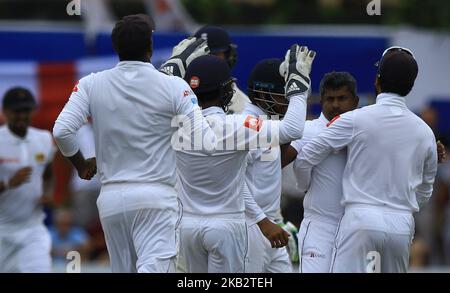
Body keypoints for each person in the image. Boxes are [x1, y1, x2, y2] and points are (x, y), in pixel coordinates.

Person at [53, 14, 217, 273]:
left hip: (111, 200)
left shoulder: (90, 83)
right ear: (150, 47)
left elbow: (62, 131)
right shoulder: (176, 86)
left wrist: (81, 164)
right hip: (157, 198)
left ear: (116, 47)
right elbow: (206, 142)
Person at [295, 46, 438, 273]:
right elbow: (425, 190)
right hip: (401, 225)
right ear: (411, 86)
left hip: (360, 220)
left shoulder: (355, 120)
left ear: (377, 82)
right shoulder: (425, 132)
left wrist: (304, 186)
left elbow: (306, 157)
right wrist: (403, 209)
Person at [175, 45, 315, 273]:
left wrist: (172, 67)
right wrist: (298, 86)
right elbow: (292, 129)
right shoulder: (236, 125)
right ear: (226, 91)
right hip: (232, 225)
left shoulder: (177, 124)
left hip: (189, 226)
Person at [281, 72, 360, 273]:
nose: (335, 105)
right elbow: (275, 163)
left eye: (342, 98)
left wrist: (432, 149)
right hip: (319, 227)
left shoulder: (365, 131)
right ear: (321, 100)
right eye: (329, 99)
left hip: (356, 228)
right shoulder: (307, 130)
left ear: (355, 100)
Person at [244, 59, 298, 273]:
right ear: (262, 93)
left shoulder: (270, 121)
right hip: (251, 226)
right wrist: (262, 221)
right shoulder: (247, 123)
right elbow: (234, 183)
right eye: (282, 95)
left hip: (272, 225)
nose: (287, 102)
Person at [0, 87, 55, 273]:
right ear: (5, 112)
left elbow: (48, 175)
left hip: (33, 230)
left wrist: (47, 193)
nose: (22, 116)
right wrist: (9, 184)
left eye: (26, 110)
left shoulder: (44, 139)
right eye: (17, 111)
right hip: (2, 232)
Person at [194, 25, 250, 114]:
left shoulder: (244, 108)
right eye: (200, 55)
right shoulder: (177, 97)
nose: (206, 60)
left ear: (229, 56)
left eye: (213, 54)